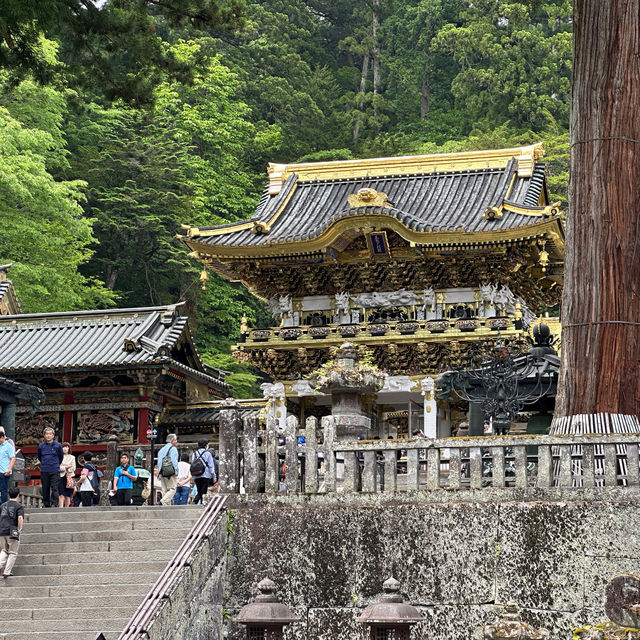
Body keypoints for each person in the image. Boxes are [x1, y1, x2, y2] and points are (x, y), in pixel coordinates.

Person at [0, 486, 24, 577]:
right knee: (12, 552)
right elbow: (20, 518)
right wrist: (20, 529)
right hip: (12, 531)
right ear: (18, 495)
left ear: (9, 494)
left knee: (4, 551)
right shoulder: (19, 506)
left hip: (2, 530)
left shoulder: (2, 505)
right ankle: (7, 571)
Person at [37, 428, 63, 508]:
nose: (48, 435)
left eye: (50, 434)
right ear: (44, 435)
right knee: (45, 488)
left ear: (53, 435)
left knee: (55, 487)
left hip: (55, 469)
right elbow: (39, 457)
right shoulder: (41, 446)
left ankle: (55, 503)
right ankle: (46, 504)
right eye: (46, 434)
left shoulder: (58, 445)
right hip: (45, 469)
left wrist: (55, 464)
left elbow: (60, 457)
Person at [191, 439, 215, 504]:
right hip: (205, 474)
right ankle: (198, 502)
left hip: (196, 474)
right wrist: (214, 477)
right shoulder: (208, 454)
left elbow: (193, 466)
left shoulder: (195, 453)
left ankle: (197, 502)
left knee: (199, 490)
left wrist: (193, 477)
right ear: (205, 445)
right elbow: (211, 466)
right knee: (204, 491)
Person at [157, 434, 179, 506]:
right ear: (172, 440)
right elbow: (174, 461)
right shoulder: (173, 449)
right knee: (173, 488)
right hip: (169, 471)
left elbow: (159, 462)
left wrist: (159, 473)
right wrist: (176, 470)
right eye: (175, 440)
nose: (176, 442)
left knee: (164, 489)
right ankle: (163, 501)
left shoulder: (161, 449)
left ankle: (165, 506)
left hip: (162, 471)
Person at [58, 442, 76, 508]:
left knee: (68, 494)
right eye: (63, 447)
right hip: (61, 476)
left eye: (66, 447)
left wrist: (64, 466)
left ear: (69, 448)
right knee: (61, 493)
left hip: (69, 476)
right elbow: (58, 467)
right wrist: (66, 467)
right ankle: (61, 507)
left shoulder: (72, 457)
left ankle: (67, 508)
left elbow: (73, 468)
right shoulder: (59, 457)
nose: (65, 448)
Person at [0, 431, 16, 504]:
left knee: (3, 490)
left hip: (4, 471)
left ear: (3, 437)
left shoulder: (8, 446)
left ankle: (4, 507)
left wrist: (9, 469)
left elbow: (12, 458)